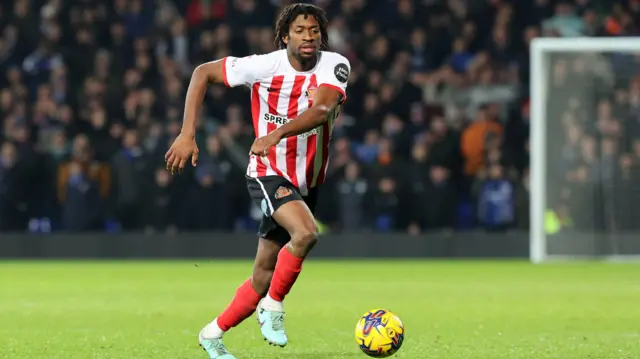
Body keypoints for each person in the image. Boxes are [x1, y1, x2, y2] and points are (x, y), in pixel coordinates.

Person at [164, 4, 350, 359]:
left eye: (313, 30)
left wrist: (277, 132)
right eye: (299, 30)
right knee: (307, 233)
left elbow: (322, 110)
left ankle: (212, 333)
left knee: (263, 275)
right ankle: (273, 307)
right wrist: (187, 133)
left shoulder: (335, 65)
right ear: (285, 36)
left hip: (305, 181)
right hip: (266, 170)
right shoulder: (264, 66)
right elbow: (202, 73)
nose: (307, 37)